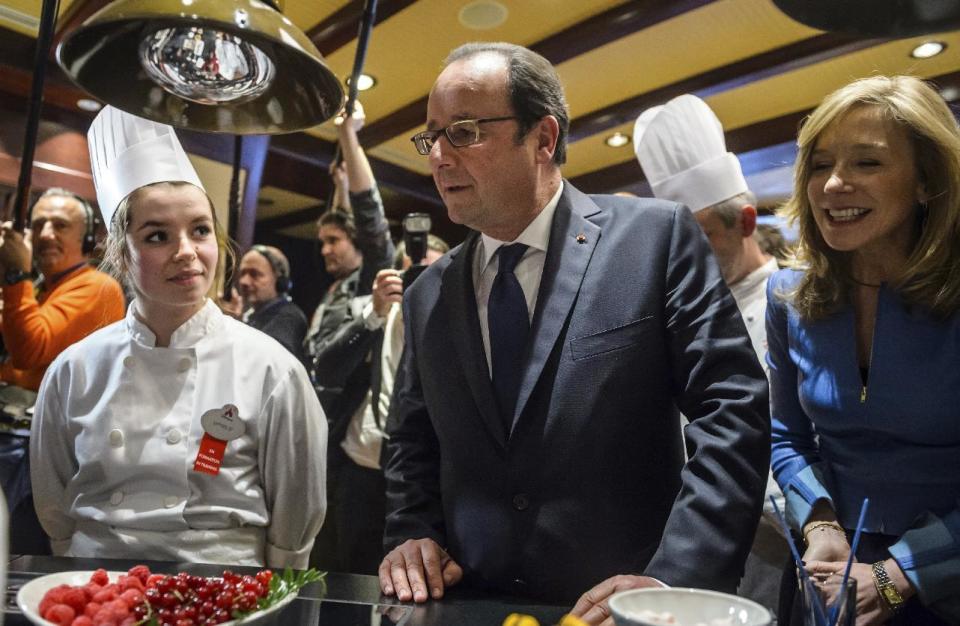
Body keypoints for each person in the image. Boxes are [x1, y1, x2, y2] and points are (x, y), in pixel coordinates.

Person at [378, 42, 770, 618]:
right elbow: (412, 444)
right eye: (431, 135)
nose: (437, 155)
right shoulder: (426, 294)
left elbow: (731, 409)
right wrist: (412, 533)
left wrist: (671, 581)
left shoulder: (652, 239)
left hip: (618, 607)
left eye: (463, 131)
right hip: (472, 604)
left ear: (543, 138)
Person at [30, 106, 327, 568]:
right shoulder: (74, 368)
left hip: (224, 589)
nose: (187, 252)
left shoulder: (272, 369)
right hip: (97, 584)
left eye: (200, 231)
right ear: (121, 254)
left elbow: (295, 515)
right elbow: (53, 504)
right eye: (157, 236)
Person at [767, 75, 960, 625]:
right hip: (826, 573)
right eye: (821, 165)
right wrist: (820, 523)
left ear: (927, 182)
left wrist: (899, 575)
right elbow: (786, 435)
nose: (833, 185)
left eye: (867, 164)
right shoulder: (786, 296)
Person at [634, 94, 786, 611]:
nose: (682, 258)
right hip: (675, 537)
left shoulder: (791, 304)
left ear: (745, 221)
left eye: (697, 238)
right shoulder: (670, 311)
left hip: (772, 545)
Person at [311, 233, 448, 575]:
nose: (421, 281)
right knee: (348, 578)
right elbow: (326, 367)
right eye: (412, 272)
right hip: (360, 472)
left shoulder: (453, 322)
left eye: (432, 272)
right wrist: (375, 311)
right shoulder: (371, 309)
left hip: (419, 481)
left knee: (408, 584)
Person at [305, 102, 394, 571]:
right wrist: (337, 185)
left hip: (361, 448)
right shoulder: (338, 289)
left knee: (348, 562)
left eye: (333, 242)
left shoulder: (374, 275)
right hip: (330, 439)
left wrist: (349, 136)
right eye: (320, 243)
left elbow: (369, 216)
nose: (324, 250)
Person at [236, 244, 307, 359]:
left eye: (255, 274)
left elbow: (259, 360)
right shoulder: (252, 316)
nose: (244, 281)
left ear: (280, 282)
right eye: (242, 273)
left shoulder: (288, 317)